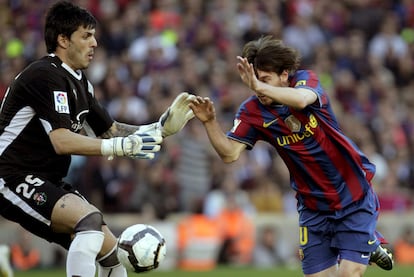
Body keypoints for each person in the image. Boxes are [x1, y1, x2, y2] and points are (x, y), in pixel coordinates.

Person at [0, 2, 194, 277]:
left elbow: (111, 131)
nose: (95, 42)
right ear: (63, 40)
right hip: (11, 176)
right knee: (89, 222)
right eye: (86, 35)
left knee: (112, 253)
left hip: (47, 179)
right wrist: (117, 148)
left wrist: (159, 129)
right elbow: (62, 141)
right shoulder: (45, 75)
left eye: (94, 35)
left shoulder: (79, 81)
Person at [189, 35, 394, 276]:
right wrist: (210, 122)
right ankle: (368, 244)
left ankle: (365, 241)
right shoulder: (253, 111)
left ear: (284, 74)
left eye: (265, 79)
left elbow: (301, 100)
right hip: (313, 206)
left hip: (352, 196)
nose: (258, 88)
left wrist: (257, 85)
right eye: (254, 81)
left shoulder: (305, 81)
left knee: (348, 274)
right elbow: (229, 154)